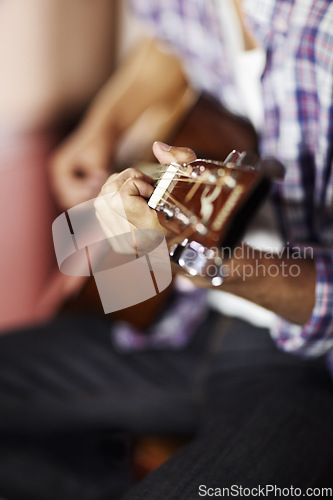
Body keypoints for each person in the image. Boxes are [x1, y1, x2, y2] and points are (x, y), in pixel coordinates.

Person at [1, 0, 333, 498]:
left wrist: (201, 258)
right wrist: (105, 125)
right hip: (181, 323)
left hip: (305, 364)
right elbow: (174, 38)